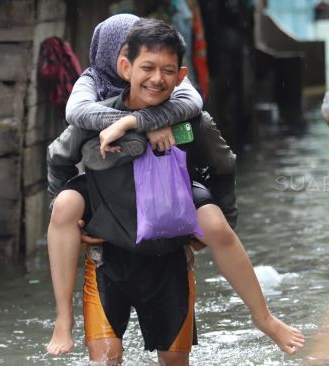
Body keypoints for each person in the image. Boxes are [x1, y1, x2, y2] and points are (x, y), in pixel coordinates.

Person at [81, 18, 305, 364]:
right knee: (106, 358)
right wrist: (76, 216)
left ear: (180, 75)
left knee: (175, 358)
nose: (157, 78)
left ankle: (264, 318)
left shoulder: (190, 119)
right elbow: (58, 159)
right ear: (124, 66)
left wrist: (220, 223)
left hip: (169, 254)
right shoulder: (93, 117)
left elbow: (223, 163)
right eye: (146, 67)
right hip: (110, 257)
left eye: (166, 70)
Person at [45, 13, 207, 355]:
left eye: (162, 65)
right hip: (107, 197)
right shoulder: (91, 86)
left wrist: (154, 116)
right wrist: (139, 123)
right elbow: (74, 122)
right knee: (65, 205)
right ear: (119, 59)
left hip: (163, 205)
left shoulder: (172, 93)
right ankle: (63, 317)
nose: (153, 74)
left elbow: (196, 106)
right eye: (135, 56)